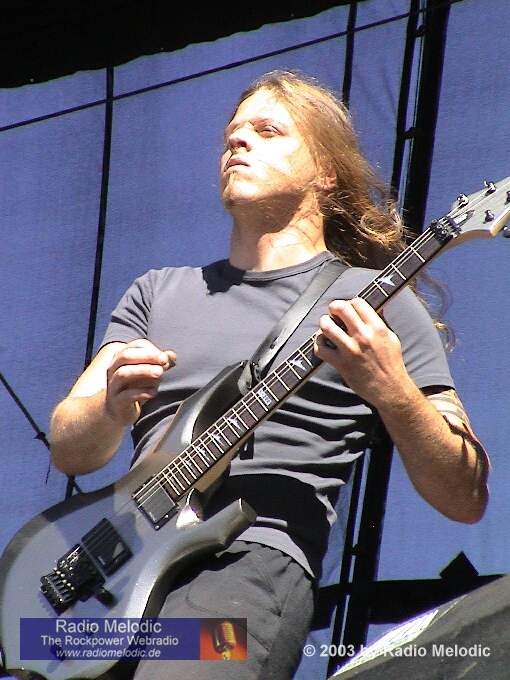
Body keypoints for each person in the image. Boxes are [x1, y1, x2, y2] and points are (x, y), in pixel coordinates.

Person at [50, 70, 489, 679]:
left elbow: (465, 496)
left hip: (245, 572)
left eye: (267, 130)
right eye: (232, 133)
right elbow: (70, 450)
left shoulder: (377, 305)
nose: (237, 141)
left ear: (325, 172)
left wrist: (392, 392)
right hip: (112, 570)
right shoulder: (157, 291)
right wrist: (108, 408)